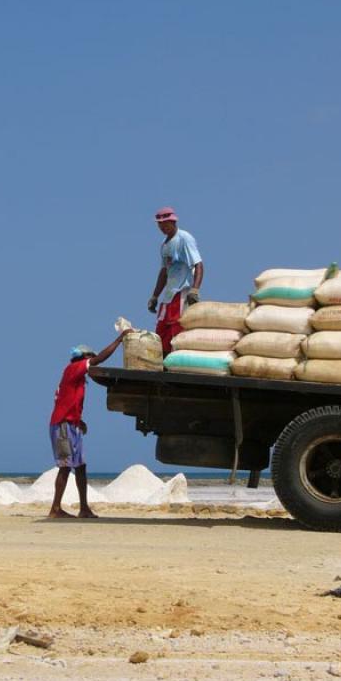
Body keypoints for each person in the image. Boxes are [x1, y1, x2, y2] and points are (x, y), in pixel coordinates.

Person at [48, 331, 131, 519]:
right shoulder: (74, 368)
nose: (93, 361)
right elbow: (100, 358)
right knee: (65, 466)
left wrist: (79, 420)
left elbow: (64, 401)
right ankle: (55, 509)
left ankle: (84, 508)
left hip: (71, 423)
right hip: (63, 425)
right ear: (85, 357)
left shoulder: (75, 378)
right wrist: (119, 340)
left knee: (81, 466)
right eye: (91, 358)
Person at [148, 206, 204, 355]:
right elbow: (164, 272)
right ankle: (163, 366)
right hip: (168, 296)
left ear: (173, 222)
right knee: (161, 333)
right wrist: (155, 296)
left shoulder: (184, 238)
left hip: (182, 292)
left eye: (166, 223)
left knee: (178, 330)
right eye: (160, 224)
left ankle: (178, 363)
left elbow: (198, 264)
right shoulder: (165, 245)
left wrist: (195, 289)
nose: (163, 226)